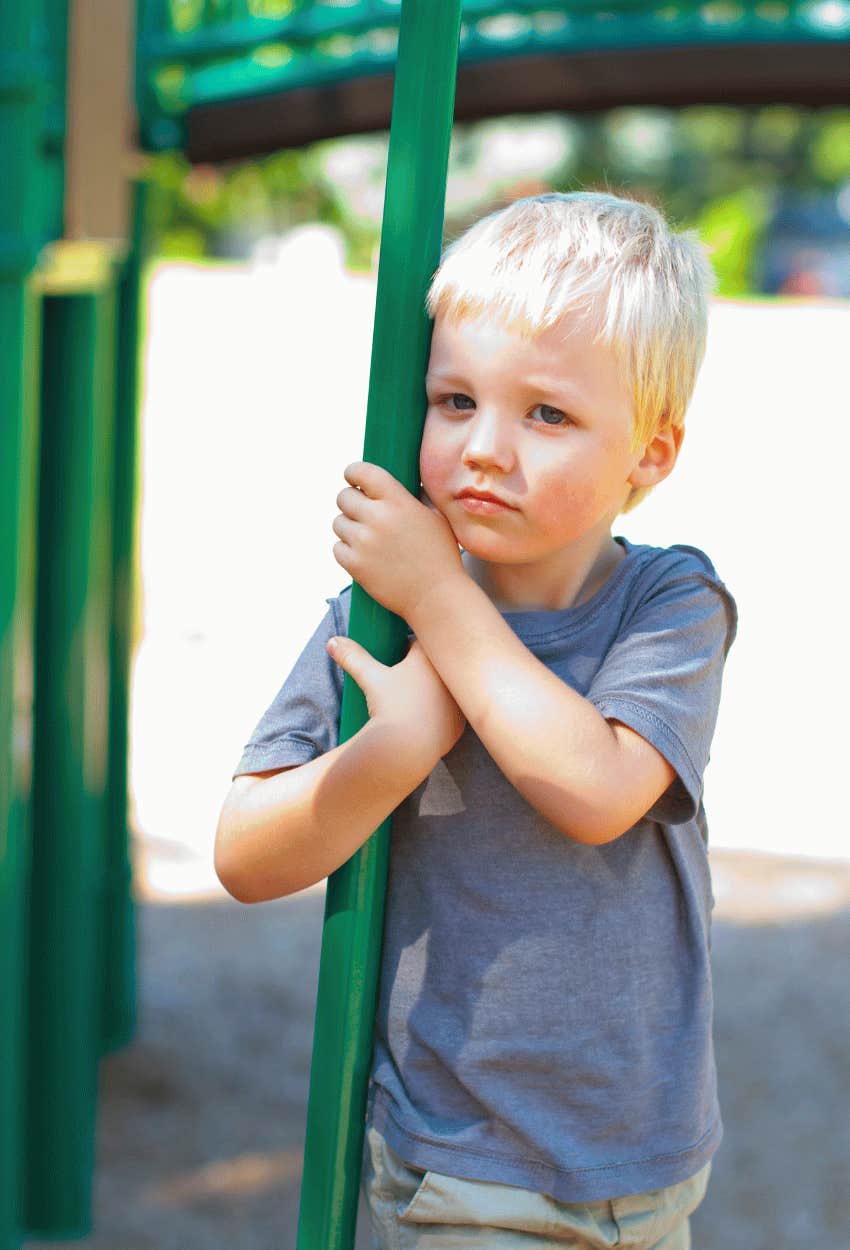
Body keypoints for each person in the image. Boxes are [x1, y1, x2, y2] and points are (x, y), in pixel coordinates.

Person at [214, 191, 738, 1249]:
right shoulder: (376, 622)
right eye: (454, 400)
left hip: (648, 1157)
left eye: (545, 414)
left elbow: (594, 789)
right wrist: (392, 746)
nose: (485, 448)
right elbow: (244, 850)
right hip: (464, 1166)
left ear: (650, 453)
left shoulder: (669, 603)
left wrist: (438, 596)